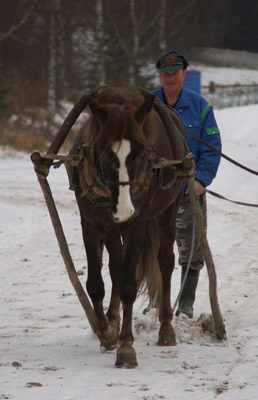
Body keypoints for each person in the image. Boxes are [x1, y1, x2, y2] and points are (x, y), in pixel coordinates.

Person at [152, 50, 222, 318]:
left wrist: (201, 180)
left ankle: (185, 304)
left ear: (183, 75)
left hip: (188, 192)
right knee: (155, 248)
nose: (171, 78)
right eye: (166, 74)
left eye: (175, 73)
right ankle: (158, 300)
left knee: (191, 247)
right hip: (154, 194)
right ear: (160, 76)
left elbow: (212, 148)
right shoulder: (148, 106)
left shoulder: (201, 107)